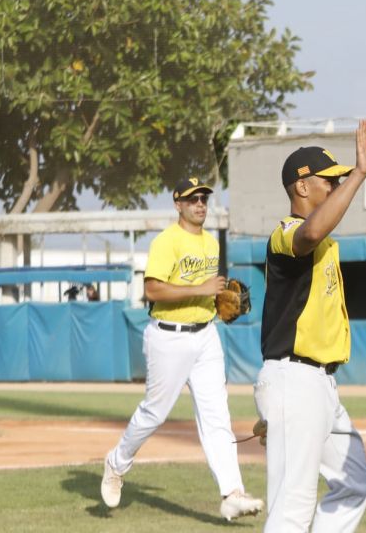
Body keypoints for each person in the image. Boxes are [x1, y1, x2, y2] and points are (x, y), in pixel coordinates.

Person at [101, 178, 263, 520]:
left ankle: (232, 492)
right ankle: (116, 464)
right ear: (178, 205)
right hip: (168, 337)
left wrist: (215, 297)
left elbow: (207, 292)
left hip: (206, 335)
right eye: (192, 199)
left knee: (217, 415)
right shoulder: (166, 241)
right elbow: (153, 291)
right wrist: (202, 288)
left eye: (203, 198)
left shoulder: (210, 243)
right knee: (154, 413)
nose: (200, 204)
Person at [256, 121, 366, 532]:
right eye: (329, 180)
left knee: (354, 482)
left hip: (319, 387)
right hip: (295, 378)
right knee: (292, 509)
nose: (335, 185)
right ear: (302, 186)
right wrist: (359, 174)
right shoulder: (286, 233)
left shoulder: (325, 243)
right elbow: (309, 231)